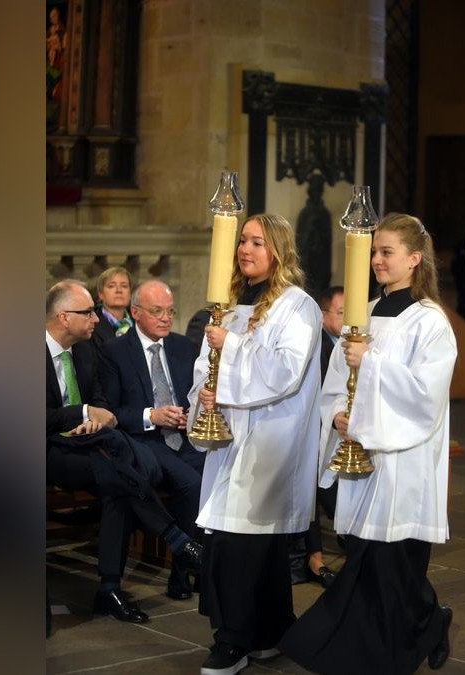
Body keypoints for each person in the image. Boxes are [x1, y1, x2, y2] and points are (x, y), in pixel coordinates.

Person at [279, 213, 458, 674]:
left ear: (414, 259)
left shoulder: (430, 322)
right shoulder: (366, 313)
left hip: (404, 460)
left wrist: (372, 361)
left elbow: (426, 396)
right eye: (374, 252)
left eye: (386, 252)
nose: (376, 260)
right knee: (370, 560)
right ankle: (420, 627)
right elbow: (337, 381)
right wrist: (338, 413)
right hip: (362, 452)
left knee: (394, 563)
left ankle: (402, 644)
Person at [188, 214, 323, 675]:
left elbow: (286, 371)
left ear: (279, 251)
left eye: (257, 242)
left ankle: (232, 640)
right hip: (230, 435)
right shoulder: (225, 304)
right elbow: (205, 364)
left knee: (240, 543)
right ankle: (271, 632)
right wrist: (205, 392)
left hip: (270, 439)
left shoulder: (297, 305)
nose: (245, 249)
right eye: (242, 240)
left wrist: (231, 348)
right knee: (255, 544)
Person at [45, 279, 203, 624]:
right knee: (119, 464)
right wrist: (84, 413)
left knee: (117, 481)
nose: (96, 319)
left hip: (92, 445)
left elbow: (102, 401)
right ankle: (176, 539)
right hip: (47, 450)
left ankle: (110, 588)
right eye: (87, 312)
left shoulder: (86, 350)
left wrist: (96, 416)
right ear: (62, 317)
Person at [99, 279, 204, 600]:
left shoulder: (184, 347)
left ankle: (208, 563)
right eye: (156, 311)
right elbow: (112, 411)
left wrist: (193, 411)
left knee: (218, 469)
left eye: (170, 311)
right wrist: (151, 415)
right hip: (143, 441)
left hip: (185, 436)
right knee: (190, 482)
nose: (166, 318)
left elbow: (196, 394)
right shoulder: (115, 352)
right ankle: (183, 568)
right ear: (136, 313)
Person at [291, 286, 345, 588]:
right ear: (323, 316)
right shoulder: (320, 345)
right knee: (314, 473)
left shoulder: (351, 343)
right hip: (314, 429)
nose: (348, 318)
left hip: (341, 429)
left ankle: (351, 536)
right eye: (340, 312)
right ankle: (315, 557)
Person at [92, 266, 135, 347]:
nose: (119, 290)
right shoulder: (90, 324)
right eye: (111, 286)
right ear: (101, 294)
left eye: (124, 286)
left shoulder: (140, 322)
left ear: (130, 294)